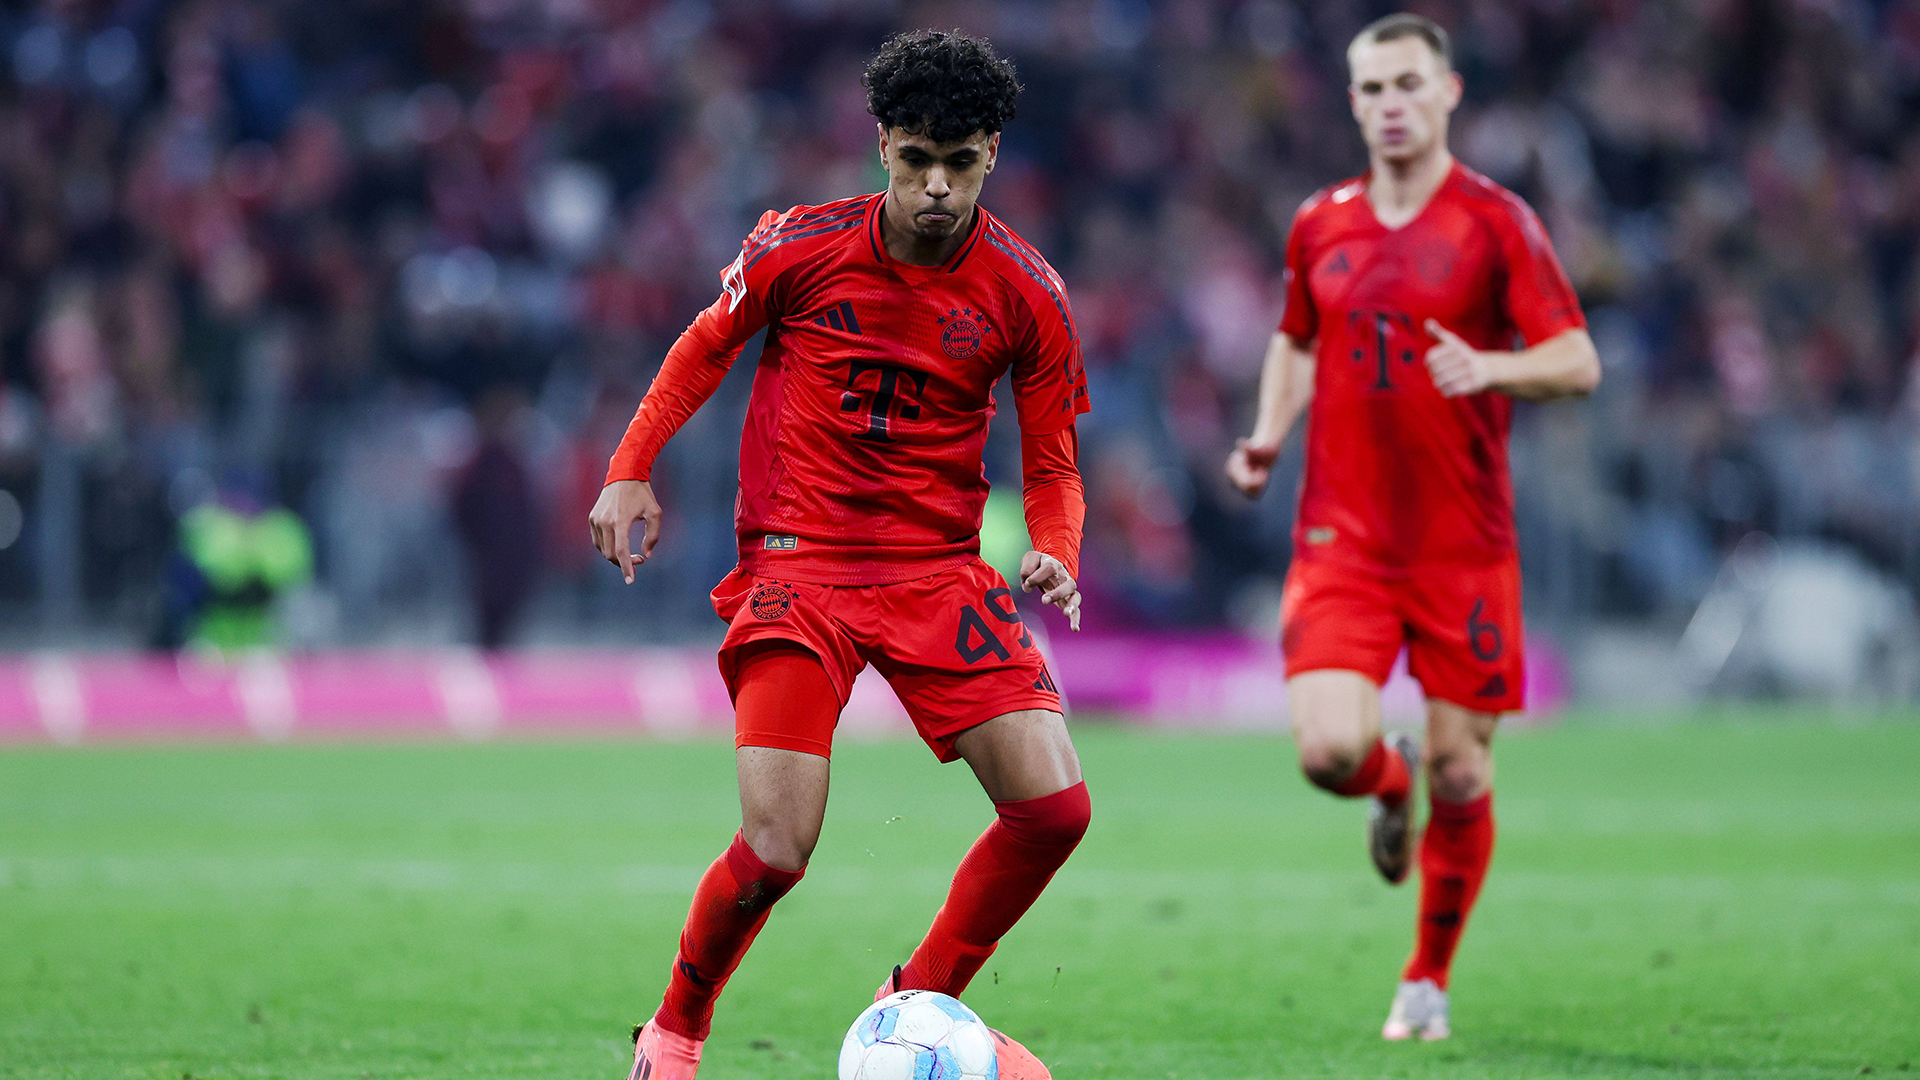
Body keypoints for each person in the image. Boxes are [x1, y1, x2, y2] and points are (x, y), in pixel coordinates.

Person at [589, 29, 1091, 1080]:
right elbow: (701, 349)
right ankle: (675, 1028)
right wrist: (630, 464)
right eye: (916, 162)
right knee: (777, 847)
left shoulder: (1028, 293)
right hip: (798, 568)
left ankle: (915, 1004)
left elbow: (1052, 464)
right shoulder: (797, 246)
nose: (938, 189)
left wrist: (1057, 550)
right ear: (882, 147)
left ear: (992, 153)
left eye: (960, 163)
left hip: (937, 571)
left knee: (1054, 810)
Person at [1226, 13, 1600, 1042]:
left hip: (1464, 547)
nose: (1389, 104)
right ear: (1351, 103)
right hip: (1342, 537)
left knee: (1468, 770)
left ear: (1449, 94)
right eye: (1371, 88)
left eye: (1407, 85)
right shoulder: (1321, 223)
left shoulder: (1495, 223)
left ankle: (1426, 981)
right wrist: (1265, 435)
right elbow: (1296, 340)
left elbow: (1577, 358)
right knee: (1328, 751)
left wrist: (1496, 366)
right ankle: (1389, 790)